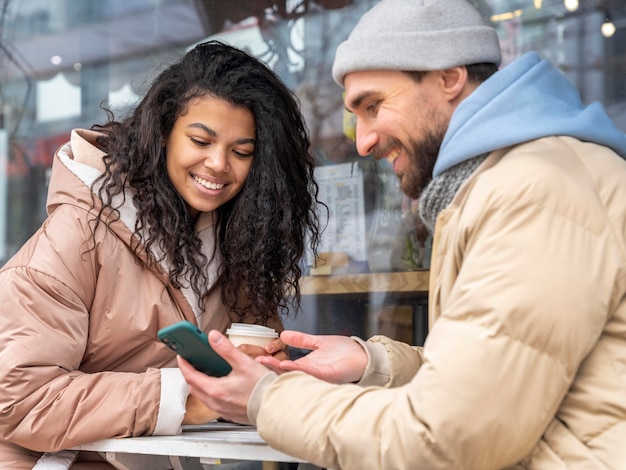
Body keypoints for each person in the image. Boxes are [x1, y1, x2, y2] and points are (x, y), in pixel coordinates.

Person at [178, 0, 626, 468]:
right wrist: (373, 365)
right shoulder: (512, 179)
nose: (364, 141)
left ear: (449, 77)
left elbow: (448, 436)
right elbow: (507, 374)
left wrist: (267, 398)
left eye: (374, 106)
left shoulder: (534, 191)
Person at [0, 40, 322, 469]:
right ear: (163, 132)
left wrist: (262, 371)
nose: (219, 164)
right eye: (200, 140)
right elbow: (19, 397)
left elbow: (246, 362)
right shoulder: (78, 234)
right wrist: (181, 398)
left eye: (242, 152)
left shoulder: (237, 240)